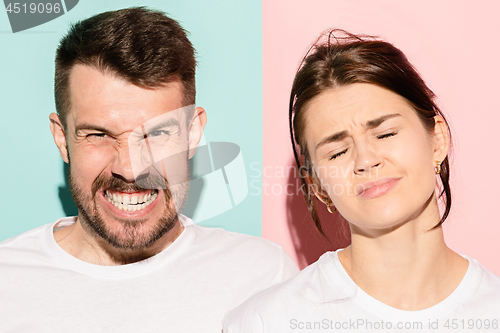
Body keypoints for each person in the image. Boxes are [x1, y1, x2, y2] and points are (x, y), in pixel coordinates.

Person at [0, 7, 298, 332]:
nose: (129, 169)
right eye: (99, 135)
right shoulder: (7, 281)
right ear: (61, 138)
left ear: (192, 132)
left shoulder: (262, 276)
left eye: (156, 133)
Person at [223, 30, 500, 332]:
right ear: (317, 185)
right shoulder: (267, 322)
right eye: (338, 152)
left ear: (437, 140)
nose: (366, 160)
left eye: (385, 134)